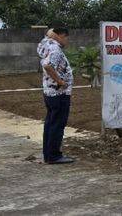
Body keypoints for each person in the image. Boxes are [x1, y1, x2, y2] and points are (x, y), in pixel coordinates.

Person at [38, 28, 75, 164]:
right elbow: (48, 66)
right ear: (60, 36)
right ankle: (54, 155)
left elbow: (48, 33)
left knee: (50, 123)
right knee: (57, 124)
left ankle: (48, 154)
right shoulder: (55, 50)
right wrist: (60, 81)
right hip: (59, 93)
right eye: (66, 37)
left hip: (49, 92)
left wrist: (52, 35)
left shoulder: (46, 44)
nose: (67, 40)